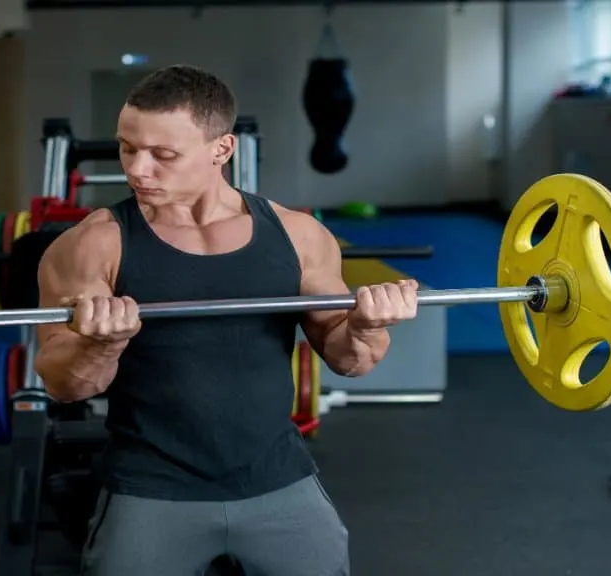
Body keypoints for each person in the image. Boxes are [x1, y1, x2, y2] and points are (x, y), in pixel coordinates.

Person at [35, 64, 419, 576]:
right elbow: (64, 385)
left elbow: (350, 359)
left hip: (278, 480)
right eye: (128, 148)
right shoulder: (93, 245)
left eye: (163, 155)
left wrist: (370, 326)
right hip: (151, 489)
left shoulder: (299, 236)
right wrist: (101, 345)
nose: (137, 169)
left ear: (222, 150)